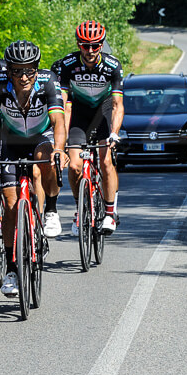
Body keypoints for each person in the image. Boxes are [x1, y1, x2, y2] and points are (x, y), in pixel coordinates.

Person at [0, 40, 65, 296]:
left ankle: (50, 209)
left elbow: (59, 120)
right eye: (17, 71)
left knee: (46, 158)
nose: (23, 77)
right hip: (11, 141)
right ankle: (12, 268)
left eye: (29, 70)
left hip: (41, 136)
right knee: (11, 205)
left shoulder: (48, 81)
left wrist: (59, 148)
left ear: (37, 69)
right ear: (8, 69)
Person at [51, 21, 125, 235]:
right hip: (79, 115)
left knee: (105, 160)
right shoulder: (67, 64)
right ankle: (79, 208)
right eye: (85, 46)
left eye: (94, 45)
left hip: (104, 114)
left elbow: (118, 105)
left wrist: (114, 133)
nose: (90, 50)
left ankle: (110, 213)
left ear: (101, 45)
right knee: (74, 166)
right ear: (78, 44)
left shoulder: (113, 66)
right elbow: (62, 104)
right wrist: (61, 138)